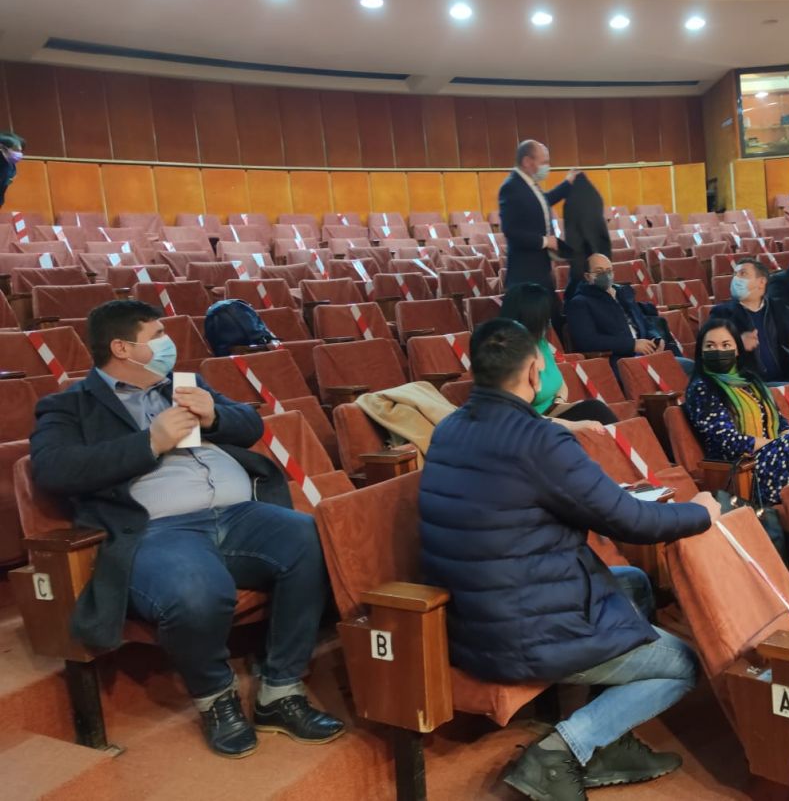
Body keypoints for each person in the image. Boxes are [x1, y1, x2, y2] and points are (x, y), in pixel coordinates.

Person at [29, 300, 343, 758]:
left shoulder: (183, 383)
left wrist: (215, 416)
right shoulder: (69, 405)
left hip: (238, 514)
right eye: (157, 335)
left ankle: (280, 688)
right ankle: (216, 696)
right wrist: (149, 442)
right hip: (158, 529)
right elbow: (54, 469)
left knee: (309, 538)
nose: (168, 343)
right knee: (196, 590)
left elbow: (250, 423)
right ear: (121, 348)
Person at [419, 318, 713, 801]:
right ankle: (562, 751)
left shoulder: (449, 429)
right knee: (683, 664)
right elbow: (631, 521)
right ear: (535, 373)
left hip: (472, 618)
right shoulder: (539, 439)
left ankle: (608, 741)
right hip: (527, 632)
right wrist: (701, 513)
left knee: (634, 582)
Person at [683, 318, 789, 509]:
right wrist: (778, 443)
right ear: (701, 351)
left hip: (772, 456)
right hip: (745, 469)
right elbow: (729, 442)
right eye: (710, 346)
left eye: (725, 345)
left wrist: (786, 436)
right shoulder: (702, 388)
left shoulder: (750, 381)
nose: (718, 351)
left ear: (737, 350)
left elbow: (779, 420)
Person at [499, 281, 618, 425]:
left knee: (596, 409)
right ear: (532, 317)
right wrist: (575, 426)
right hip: (531, 423)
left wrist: (559, 401)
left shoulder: (540, 342)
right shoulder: (508, 354)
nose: (548, 320)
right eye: (544, 315)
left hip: (553, 412)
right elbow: (518, 415)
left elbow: (560, 383)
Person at [565, 253, 684, 373]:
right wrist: (632, 345)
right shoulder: (579, 303)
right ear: (587, 276)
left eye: (609, 270)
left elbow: (644, 321)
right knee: (685, 370)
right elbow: (588, 341)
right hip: (621, 361)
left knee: (687, 366)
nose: (605, 275)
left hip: (649, 354)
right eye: (599, 271)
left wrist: (656, 338)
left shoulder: (622, 293)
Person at [499, 139, 580, 294]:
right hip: (525, 274)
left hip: (540, 269)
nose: (547, 167)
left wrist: (567, 184)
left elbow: (542, 202)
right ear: (527, 162)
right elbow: (511, 231)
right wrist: (545, 241)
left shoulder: (529, 184)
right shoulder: (511, 187)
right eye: (543, 162)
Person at [713, 258, 789, 385]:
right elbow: (712, 358)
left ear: (761, 282)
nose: (736, 279)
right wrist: (738, 344)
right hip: (751, 385)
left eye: (743, 274)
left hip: (788, 378)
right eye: (735, 274)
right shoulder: (722, 314)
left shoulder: (781, 309)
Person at [0, 131, 24, 210]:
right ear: (2, 148)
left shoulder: (11, 167)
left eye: (20, 151)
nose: (19, 154)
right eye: (16, 150)